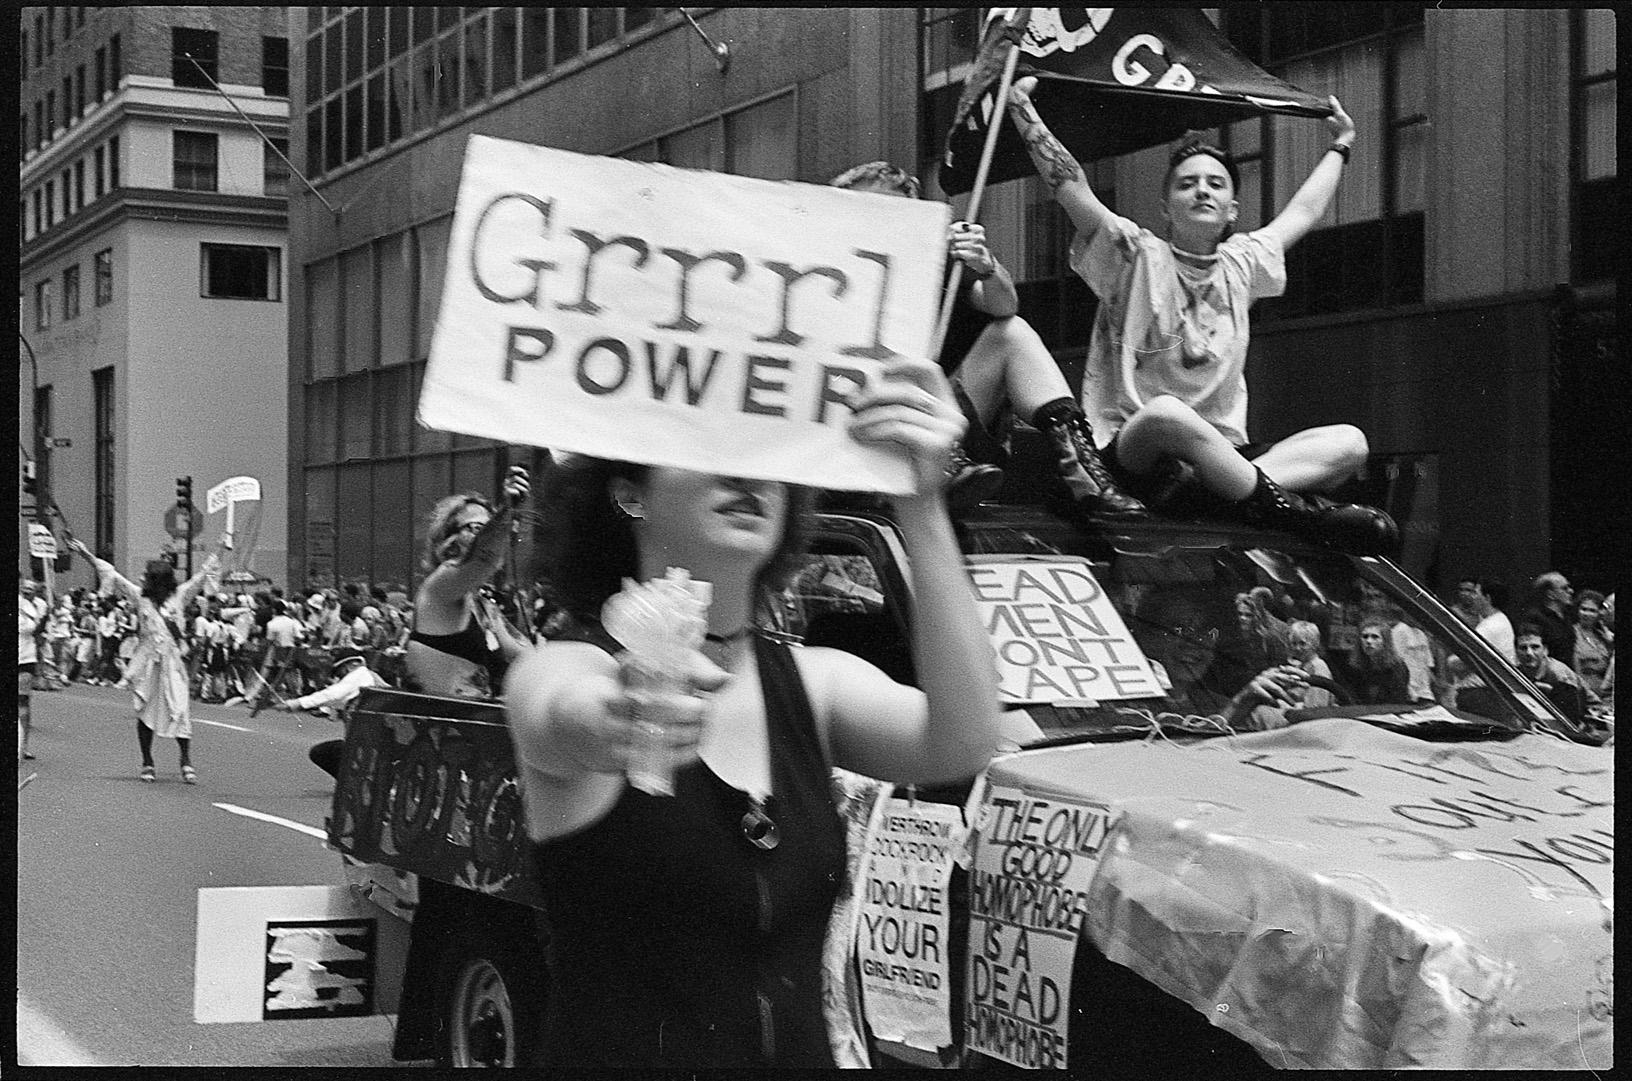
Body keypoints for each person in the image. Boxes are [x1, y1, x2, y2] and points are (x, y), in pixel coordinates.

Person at [504, 358, 1003, 1068]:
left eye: (767, 454)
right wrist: (614, 720)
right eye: (710, 450)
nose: (747, 475)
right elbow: (555, 712)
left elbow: (966, 739)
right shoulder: (568, 664)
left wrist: (921, 505)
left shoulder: (814, 681)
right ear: (628, 492)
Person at [1004, 77, 1397, 554]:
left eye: (1215, 184)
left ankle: (1216, 497)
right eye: (1187, 184)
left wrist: (1342, 144)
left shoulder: (1243, 264)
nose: (1202, 191)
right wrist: (1022, 109)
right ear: (1166, 207)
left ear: (1233, 209)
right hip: (1137, 452)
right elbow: (1070, 186)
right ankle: (1278, 508)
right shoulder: (1132, 253)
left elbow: (1304, 212)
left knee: (1349, 443)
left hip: (1220, 457)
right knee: (1167, 414)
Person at [828, 160, 1142, 517]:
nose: (879, 222)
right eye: (865, 210)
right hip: (851, 436)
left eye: (893, 211)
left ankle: (1085, 474)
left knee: (1011, 333)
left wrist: (986, 265)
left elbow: (1004, 303)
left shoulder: (936, 270)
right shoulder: (814, 280)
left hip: (943, 431)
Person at [68, 535, 226, 783]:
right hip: (147, 663)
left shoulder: (180, 596)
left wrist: (220, 548)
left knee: (180, 708)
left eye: (147, 575)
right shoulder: (138, 596)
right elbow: (113, 575)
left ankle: (185, 760)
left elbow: (203, 573)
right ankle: (147, 761)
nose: (142, 577)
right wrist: (86, 555)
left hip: (173, 663)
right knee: (145, 711)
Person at [405, 465, 533, 699]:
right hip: (437, 726)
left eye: (488, 528)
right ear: (449, 539)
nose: (486, 536)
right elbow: (483, 556)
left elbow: (521, 655)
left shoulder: (483, 601)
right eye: (476, 528)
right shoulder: (439, 585)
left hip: (471, 722)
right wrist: (508, 510)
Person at [1514, 622, 1600, 727]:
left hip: (1588, 718)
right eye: (1523, 648)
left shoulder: (1558, 674)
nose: (1529, 653)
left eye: (1535, 647)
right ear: (1516, 651)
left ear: (1545, 650)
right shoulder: (1516, 672)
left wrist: (1552, 692)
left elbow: (1572, 717)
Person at [274, 652, 386, 721]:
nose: (339, 677)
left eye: (340, 672)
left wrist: (296, 703)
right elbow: (336, 700)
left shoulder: (359, 674)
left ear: (351, 665)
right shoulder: (366, 676)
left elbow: (332, 695)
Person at [1346, 617, 1412, 705]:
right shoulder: (1356, 668)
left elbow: (1397, 700)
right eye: (1365, 637)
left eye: (1375, 637)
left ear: (1385, 641)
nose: (1368, 641)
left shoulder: (1397, 668)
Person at [18, 575, 47, 761]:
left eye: (31, 588)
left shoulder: (37, 607)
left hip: (26, 658)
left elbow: (37, 632)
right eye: (25, 588)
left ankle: (23, 745)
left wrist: (45, 620)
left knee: (22, 702)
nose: (27, 590)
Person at [1521, 571, 1576, 669]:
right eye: (1564, 588)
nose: (1571, 591)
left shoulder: (1566, 616)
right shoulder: (1535, 618)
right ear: (1551, 594)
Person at [1454, 576, 1515, 661]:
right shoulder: (1500, 618)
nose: (1472, 597)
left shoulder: (1489, 627)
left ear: (1487, 598)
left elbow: (1464, 659)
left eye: (1475, 593)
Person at [1570, 589, 1613, 696]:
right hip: (1584, 690)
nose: (1586, 614)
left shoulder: (1602, 636)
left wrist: (1611, 643)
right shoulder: (1571, 633)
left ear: (1599, 613)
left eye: (1592, 611)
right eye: (1583, 609)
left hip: (1605, 691)